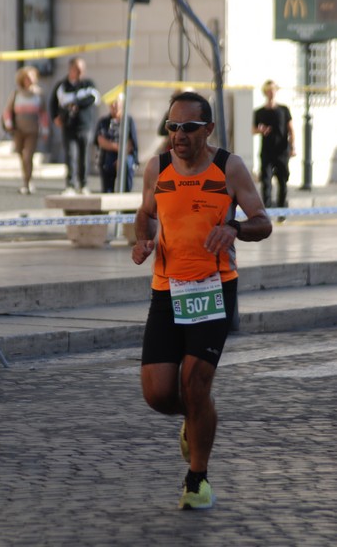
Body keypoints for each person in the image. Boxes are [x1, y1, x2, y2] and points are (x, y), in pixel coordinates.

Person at [132, 91, 272, 510]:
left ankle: (197, 479)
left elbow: (262, 222)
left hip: (213, 287)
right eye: (172, 127)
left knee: (194, 385)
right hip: (166, 289)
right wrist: (141, 240)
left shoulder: (229, 167)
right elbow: (145, 214)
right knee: (158, 394)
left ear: (207, 129)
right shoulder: (156, 167)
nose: (178, 135)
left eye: (188, 128)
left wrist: (234, 228)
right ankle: (197, 418)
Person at [49, 57, 100, 195]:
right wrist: (55, 117)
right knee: (71, 155)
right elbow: (53, 103)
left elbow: (93, 98)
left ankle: (83, 184)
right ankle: (70, 185)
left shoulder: (88, 84)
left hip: (85, 125)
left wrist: (75, 103)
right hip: (69, 126)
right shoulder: (62, 86)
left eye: (82, 69)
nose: (80, 72)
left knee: (84, 156)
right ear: (71, 69)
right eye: (78, 69)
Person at [252, 80, 296, 220]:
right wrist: (260, 130)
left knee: (282, 181)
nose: (271, 92)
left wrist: (293, 146)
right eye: (268, 90)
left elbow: (291, 129)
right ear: (265, 92)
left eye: (273, 90)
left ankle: (282, 210)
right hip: (266, 151)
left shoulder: (283, 109)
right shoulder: (259, 112)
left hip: (282, 151)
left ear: (276, 91)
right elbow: (253, 129)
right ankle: (267, 210)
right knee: (266, 181)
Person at [2, 66, 49, 194]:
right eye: (27, 78)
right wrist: (8, 123)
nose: (30, 80)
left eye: (32, 77)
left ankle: (29, 181)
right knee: (21, 155)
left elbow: (43, 113)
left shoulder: (39, 94)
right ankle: (25, 180)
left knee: (28, 155)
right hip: (18, 130)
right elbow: (7, 110)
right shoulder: (16, 93)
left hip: (32, 130)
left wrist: (45, 129)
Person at [94, 95, 139, 193]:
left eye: (116, 102)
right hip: (108, 157)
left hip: (125, 156)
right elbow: (101, 141)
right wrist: (118, 148)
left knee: (126, 163)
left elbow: (131, 145)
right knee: (107, 164)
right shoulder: (104, 122)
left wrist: (121, 157)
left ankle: (126, 197)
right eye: (111, 103)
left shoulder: (128, 121)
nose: (114, 105)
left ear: (122, 103)